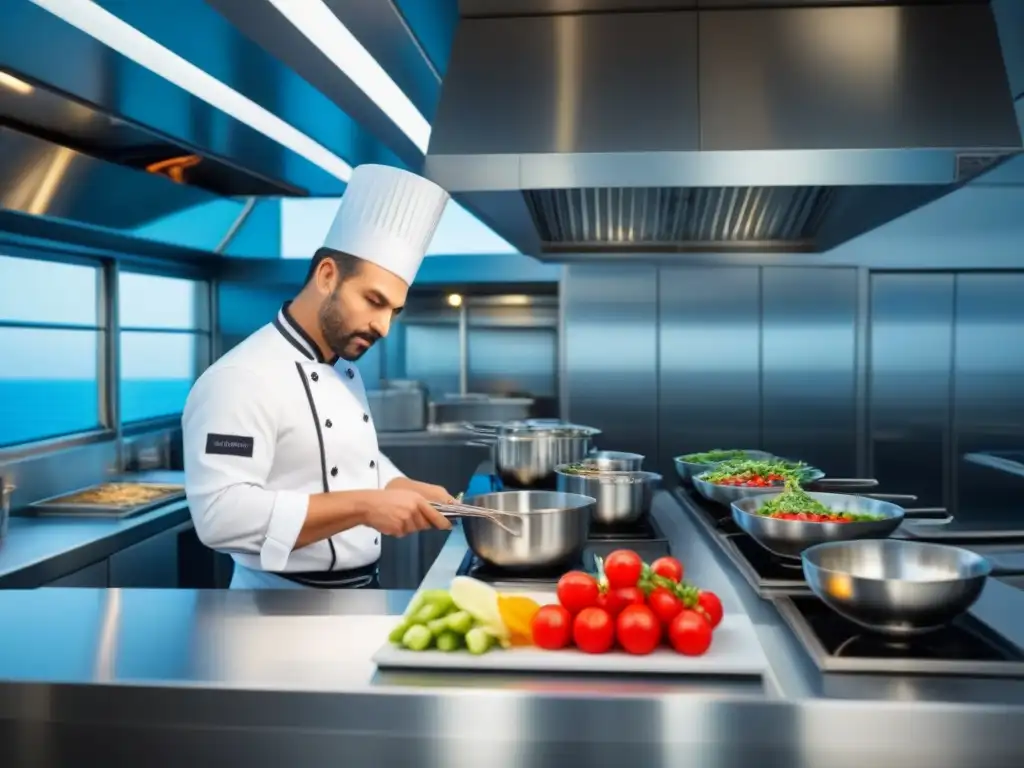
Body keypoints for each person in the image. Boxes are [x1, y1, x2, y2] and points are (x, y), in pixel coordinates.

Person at [181, 164, 454, 589]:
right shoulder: (240, 378)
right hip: (277, 608)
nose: (383, 327)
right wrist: (365, 506)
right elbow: (220, 515)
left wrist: (402, 485)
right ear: (328, 276)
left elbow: (348, 458)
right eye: (373, 301)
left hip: (360, 593)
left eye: (393, 312)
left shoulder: (343, 368)